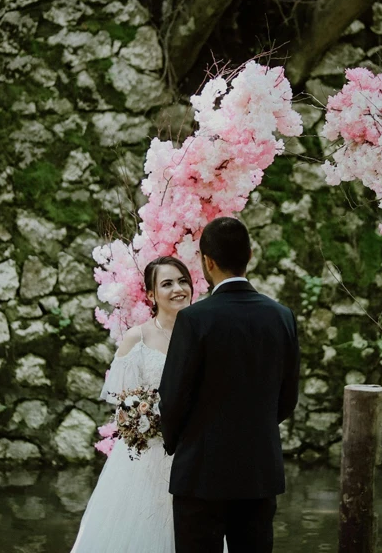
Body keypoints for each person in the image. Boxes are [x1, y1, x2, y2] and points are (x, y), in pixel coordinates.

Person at [158, 216, 301, 553]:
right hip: (259, 472)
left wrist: (177, 443)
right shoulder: (281, 316)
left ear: (207, 262)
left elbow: (174, 397)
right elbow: (287, 399)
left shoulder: (194, 319)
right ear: (250, 254)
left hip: (200, 473)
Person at [71, 256, 194, 553]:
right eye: (167, 284)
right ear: (151, 295)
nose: (178, 289)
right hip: (146, 462)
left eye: (182, 281)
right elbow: (123, 409)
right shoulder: (136, 338)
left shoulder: (201, 334)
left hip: (192, 456)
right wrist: (147, 418)